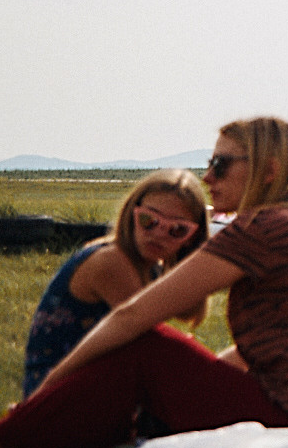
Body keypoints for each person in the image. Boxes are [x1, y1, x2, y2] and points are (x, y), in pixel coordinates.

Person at [0, 117, 288, 448]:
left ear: (269, 171)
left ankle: (6, 438)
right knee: (164, 358)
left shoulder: (266, 227)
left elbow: (133, 315)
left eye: (221, 165)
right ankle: (52, 439)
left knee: (147, 348)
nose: (207, 177)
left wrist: (43, 392)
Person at [20, 170, 211, 398]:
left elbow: (184, 319)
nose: (159, 233)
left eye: (177, 230)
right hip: (56, 395)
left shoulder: (150, 268)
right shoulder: (111, 261)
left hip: (95, 388)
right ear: (132, 213)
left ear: (191, 238)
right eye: (149, 221)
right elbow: (152, 342)